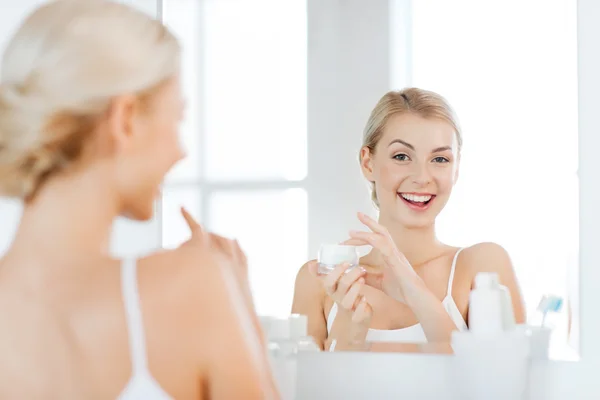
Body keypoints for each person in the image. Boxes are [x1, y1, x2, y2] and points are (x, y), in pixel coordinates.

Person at [0, 1, 278, 398]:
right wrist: (239, 306)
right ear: (125, 119)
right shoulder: (192, 286)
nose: (181, 151)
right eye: (176, 118)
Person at [292, 88, 526, 352]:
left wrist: (414, 288)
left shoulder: (482, 266)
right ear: (368, 163)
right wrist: (348, 331)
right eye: (401, 156)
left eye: (440, 159)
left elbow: (505, 384)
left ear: (456, 168)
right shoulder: (319, 281)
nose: (422, 177)